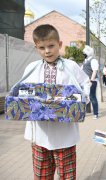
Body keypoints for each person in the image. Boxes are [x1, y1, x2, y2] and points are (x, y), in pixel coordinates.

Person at [22, 24, 90, 179]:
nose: (47, 51)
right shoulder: (32, 68)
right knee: (42, 174)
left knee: (67, 175)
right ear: (36, 48)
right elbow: (23, 91)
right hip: (39, 133)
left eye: (51, 46)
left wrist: (82, 100)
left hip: (64, 133)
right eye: (41, 47)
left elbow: (85, 83)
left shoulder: (71, 66)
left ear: (59, 44)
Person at [82, 45, 99, 119]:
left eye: (84, 53)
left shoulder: (93, 60)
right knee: (84, 97)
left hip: (91, 81)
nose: (83, 54)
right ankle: (83, 112)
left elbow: (95, 71)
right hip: (85, 82)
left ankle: (96, 113)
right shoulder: (85, 61)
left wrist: (91, 80)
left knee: (92, 97)